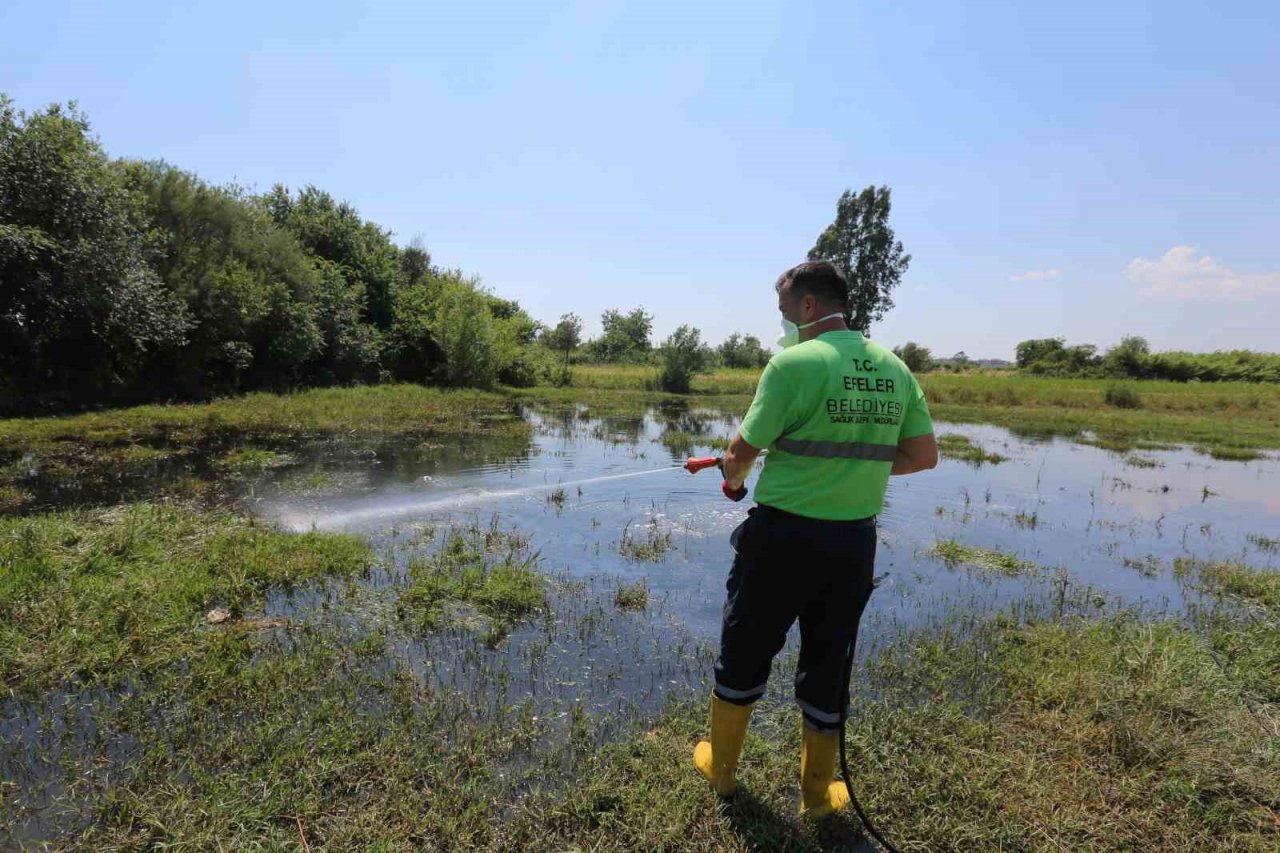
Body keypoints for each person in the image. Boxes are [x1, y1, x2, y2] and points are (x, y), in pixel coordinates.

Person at [693, 260, 938, 817]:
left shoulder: (790, 365)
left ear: (807, 307)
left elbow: (738, 455)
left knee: (746, 648)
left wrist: (732, 479)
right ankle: (818, 796)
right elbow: (923, 457)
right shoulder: (896, 370)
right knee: (829, 661)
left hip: (780, 540)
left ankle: (723, 772)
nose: (784, 322)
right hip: (852, 546)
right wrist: (858, 469)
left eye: (785, 311)